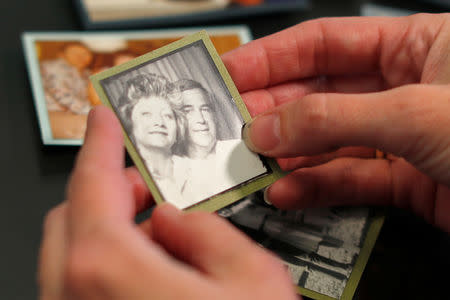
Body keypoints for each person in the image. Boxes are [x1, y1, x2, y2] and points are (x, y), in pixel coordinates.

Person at [39, 13, 450, 299]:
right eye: (181, 112)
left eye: (204, 108)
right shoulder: (176, 171)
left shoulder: (256, 155)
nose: (195, 119)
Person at [173, 79, 268, 203]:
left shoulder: (243, 151)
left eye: (205, 109)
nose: (201, 119)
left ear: (215, 116)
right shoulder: (172, 172)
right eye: (188, 111)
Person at [122, 73, 190, 208]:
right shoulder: (126, 187)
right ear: (129, 122)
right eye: (146, 114)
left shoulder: (199, 167)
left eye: (167, 116)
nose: (159, 122)